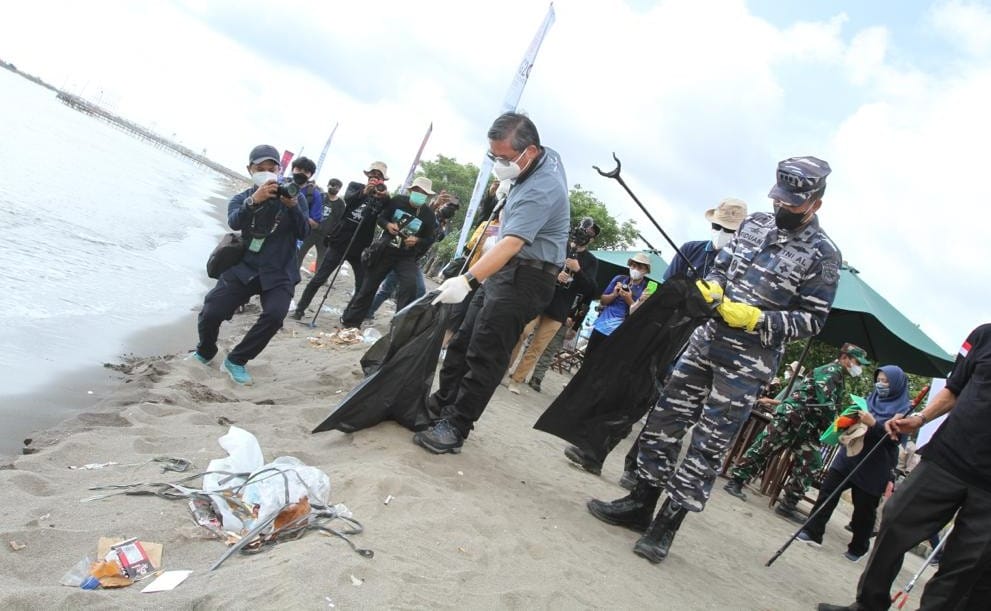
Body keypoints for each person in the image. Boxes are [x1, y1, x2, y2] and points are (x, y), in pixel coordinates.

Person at [586, 156, 841, 564]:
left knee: (709, 444)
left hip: (748, 363)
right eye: (779, 199)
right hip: (705, 342)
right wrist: (713, 288)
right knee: (664, 421)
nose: (781, 209)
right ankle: (639, 504)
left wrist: (760, 319)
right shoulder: (754, 224)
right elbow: (721, 268)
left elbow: (812, 320)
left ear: (816, 204)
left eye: (792, 204)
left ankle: (665, 527)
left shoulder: (823, 256)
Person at [412, 112, 569, 454]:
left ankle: (456, 426)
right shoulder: (544, 158)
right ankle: (440, 407)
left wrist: (467, 281)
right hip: (505, 269)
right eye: (494, 157)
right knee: (462, 342)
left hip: (528, 276)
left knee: (486, 352)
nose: (500, 164)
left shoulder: (542, 188)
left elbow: (512, 243)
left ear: (530, 152)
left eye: (505, 159)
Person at [818, 324, 991, 611]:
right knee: (895, 519)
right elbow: (954, 389)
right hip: (948, 456)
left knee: (964, 564)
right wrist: (920, 419)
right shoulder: (985, 336)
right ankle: (868, 605)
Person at [191, 144, 309, 385]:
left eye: (271, 168)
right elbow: (234, 222)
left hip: (279, 270)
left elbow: (304, 232)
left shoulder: (294, 195)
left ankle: (236, 360)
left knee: (275, 316)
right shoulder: (242, 198)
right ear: (249, 169)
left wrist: (293, 207)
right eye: (260, 168)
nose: (266, 172)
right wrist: (253, 202)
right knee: (211, 311)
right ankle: (206, 350)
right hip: (245, 266)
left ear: (279, 168)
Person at [722, 343, 870, 520]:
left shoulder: (838, 376)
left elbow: (828, 406)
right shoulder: (830, 371)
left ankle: (788, 504)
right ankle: (736, 481)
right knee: (764, 448)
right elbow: (826, 405)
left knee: (812, 463)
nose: (858, 367)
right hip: (791, 419)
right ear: (845, 358)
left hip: (807, 427)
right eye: (857, 362)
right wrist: (837, 424)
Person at [796, 366, 909, 562]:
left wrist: (875, 424)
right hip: (849, 455)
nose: (880, 385)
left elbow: (895, 440)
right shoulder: (871, 399)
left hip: (874, 466)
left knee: (863, 511)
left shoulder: (905, 411)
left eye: (885, 382)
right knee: (827, 492)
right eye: (879, 380)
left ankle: (858, 547)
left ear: (896, 386)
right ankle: (812, 531)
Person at [505, 218, 600, 394]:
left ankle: (517, 380)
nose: (584, 233)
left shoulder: (591, 261)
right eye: (583, 228)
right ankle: (504, 370)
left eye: (590, 232)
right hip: (538, 298)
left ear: (592, 239)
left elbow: (591, 290)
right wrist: (555, 274)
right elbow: (539, 263)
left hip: (559, 309)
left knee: (538, 346)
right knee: (521, 332)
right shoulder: (560, 245)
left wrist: (578, 270)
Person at [290, 162, 391, 320]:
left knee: (361, 287)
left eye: (378, 177)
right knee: (319, 278)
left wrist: (384, 197)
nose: (375, 179)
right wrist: (365, 191)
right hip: (341, 242)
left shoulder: (383, 197)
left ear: (383, 180)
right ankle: (300, 309)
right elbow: (349, 201)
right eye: (373, 175)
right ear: (367, 175)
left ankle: (348, 316)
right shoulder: (355, 186)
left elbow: (385, 217)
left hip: (360, 247)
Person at [339, 176, 437, 327]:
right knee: (369, 286)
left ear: (428, 196)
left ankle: (398, 324)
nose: (419, 194)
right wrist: (388, 225)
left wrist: (417, 240)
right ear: (411, 191)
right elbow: (381, 218)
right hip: (385, 250)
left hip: (406, 256)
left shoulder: (428, 215)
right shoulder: (398, 201)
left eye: (423, 192)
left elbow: (429, 239)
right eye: (417, 190)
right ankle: (351, 321)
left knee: (410, 286)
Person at [662, 198, 748, 281]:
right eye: (716, 226)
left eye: (728, 230)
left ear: (739, 232)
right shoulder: (688, 249)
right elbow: (665, 284)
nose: (721, 232)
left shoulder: (744, 264)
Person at [585, 253, 651, 354]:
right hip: (601, 326)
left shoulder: (646, 290)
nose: (635, 269)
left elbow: (640, 315)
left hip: (621, 333)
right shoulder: (619, 279)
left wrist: (628, 298)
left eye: (640, 267)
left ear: (646, 271)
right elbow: (603, 301)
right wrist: (614, 294)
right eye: (633, 266)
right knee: (588, 357)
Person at [298, 177, 343, 270]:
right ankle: (293, 271)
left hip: (325, 236)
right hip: (311, 231)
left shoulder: (341, 204)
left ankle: (318, 279)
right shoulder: (319, 196)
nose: (334, 188)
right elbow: (308, 209)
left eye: (337, 187)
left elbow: (339, 222)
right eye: (332, 185)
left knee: (322, 260)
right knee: (299, 253)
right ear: (328, 185)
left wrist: (333, 235)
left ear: (340, 189)